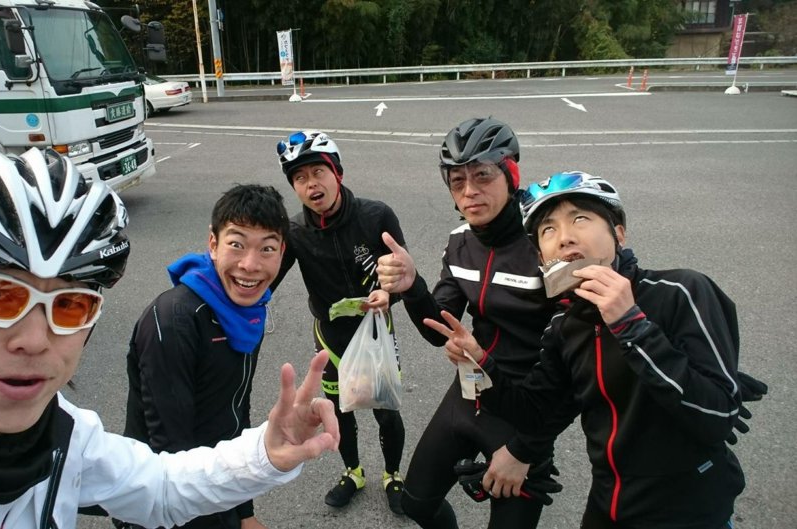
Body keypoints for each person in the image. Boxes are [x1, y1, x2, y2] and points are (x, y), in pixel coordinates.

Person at [0, 145, 339, 529]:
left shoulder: (67, 435)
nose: (34, 340)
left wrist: (266, 453)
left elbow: (160, 486)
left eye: (69, 306)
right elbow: (168, 445)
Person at [424, 171, 751, 528]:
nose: (564, 237)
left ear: (619, 233)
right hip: (608, 504)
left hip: (690, 512)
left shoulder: (681, 291)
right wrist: (481, 362)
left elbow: (717, 417)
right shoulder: (566, 326)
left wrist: (631, 325)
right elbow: (535, 414)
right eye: (548, 229)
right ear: (542, 258)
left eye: (580, 218)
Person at [376, 117, 570, 529]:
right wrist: (412, 285)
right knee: (416, 504)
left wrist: (525, 449)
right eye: (457, 181)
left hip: (527, 408)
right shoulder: (460, 241)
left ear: (511, 174)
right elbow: (437, 330)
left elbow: (577, 364)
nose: (469, 191)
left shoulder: (546, 243)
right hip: (471, 390)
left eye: (482, 176)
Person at [117, 184, 290, 529]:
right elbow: (170, 449)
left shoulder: (247, 314)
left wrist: (244, 512)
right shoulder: (174, 320)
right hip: (164, 502)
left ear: (282, 252)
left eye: (267, 248)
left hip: (218, 484)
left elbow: (236, 412)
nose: (250, 265)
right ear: (213, 243)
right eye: (236, 244)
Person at [271, 130, 408, 513]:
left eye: (318, 172)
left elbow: (403, 274)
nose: (311, 184)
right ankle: (353, 472)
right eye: (300, 178)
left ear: (338, 173)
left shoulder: (376, 216)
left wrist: (390, 293)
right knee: (339, 409)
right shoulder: (295, 232)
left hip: (376, 331)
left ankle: (393, 475)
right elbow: (267, 280)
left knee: (386, 411)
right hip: (330, 337)